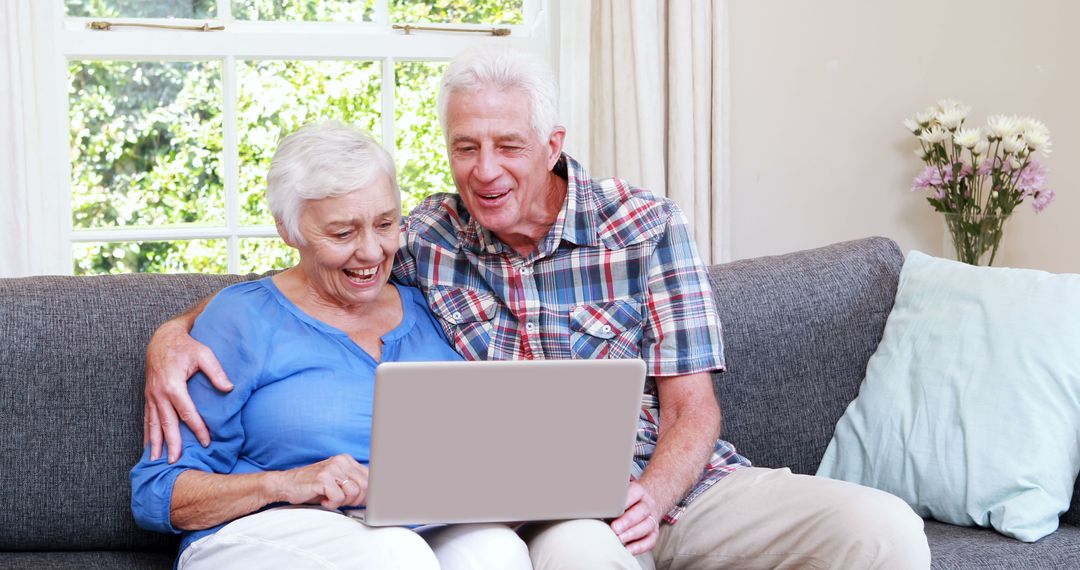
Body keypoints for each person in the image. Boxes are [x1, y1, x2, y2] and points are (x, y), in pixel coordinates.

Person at [144, 49, 931, 569]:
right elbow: (307, 274)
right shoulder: (426, 234)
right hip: (544, 513)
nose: (484, 170)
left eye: (508, 146)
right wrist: (173, 333)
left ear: (552, 143)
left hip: (674, 488)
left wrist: (651, 498)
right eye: (464, 147)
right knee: (568, 550)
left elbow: (694, 409)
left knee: (882, 529)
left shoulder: (645, 225)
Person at [130, 121, 532, 570]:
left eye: (385, 224)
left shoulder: (435, 308)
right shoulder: (240, 320)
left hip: (412, 526)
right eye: (342, 233)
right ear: (288, 230)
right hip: (264, 530)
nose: (372, 252)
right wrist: (285, 483)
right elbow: (157, 495)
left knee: (498, 550)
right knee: (396, 555)